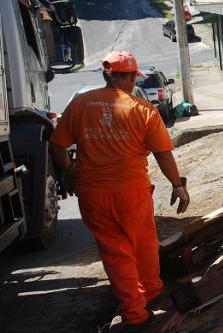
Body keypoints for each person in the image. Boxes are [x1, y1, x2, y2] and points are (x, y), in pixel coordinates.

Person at [50, 51, 190, 331]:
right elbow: (163, 154)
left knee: (115, 253)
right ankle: (146, 298)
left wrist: (67, 172)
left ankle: (135, 308)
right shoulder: (142, 109)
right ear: (129, 77)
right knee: (143, 246)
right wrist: (178, 185)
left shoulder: (79, 104)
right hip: (131, 191)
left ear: (107, 74)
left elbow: (58, 145)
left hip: (92, 193)